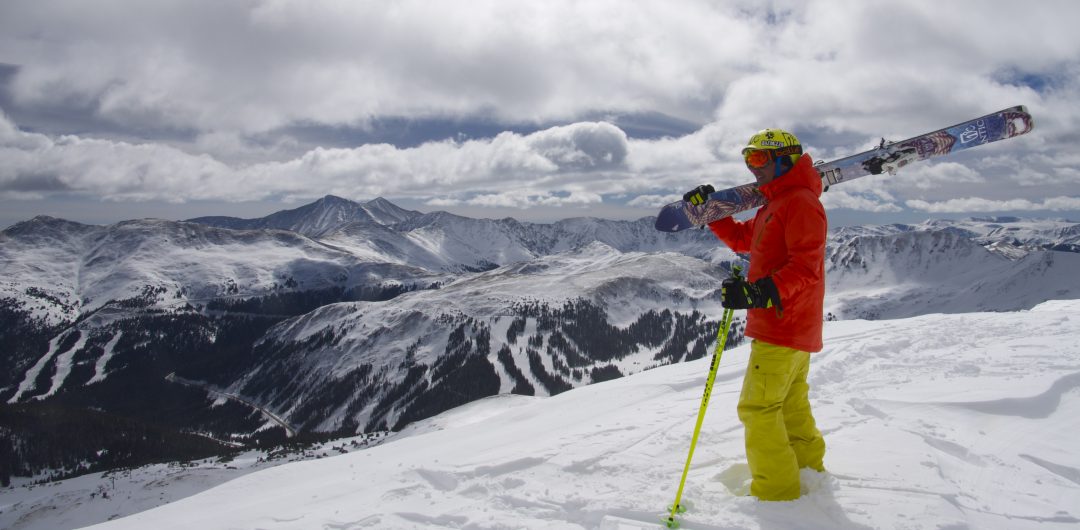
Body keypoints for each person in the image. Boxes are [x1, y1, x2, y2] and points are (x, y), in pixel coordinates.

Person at [683, 128, 827, 501]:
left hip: (783, 324)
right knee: (790, 405)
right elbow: (743, 240)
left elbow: (807, 266)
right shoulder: (775, 204)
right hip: (789, 325)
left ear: (786, 159)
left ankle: (777, 493)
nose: (752, 167)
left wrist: (760, 293)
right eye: (748, 159)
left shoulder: (800, 203)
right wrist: (714, 213)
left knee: (758, 408)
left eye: (760, 159)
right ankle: (809, 473)